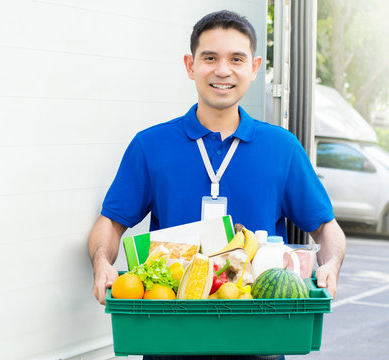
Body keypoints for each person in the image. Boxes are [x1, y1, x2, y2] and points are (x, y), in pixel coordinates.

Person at [88, 10, 346, 360]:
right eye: (210, 58)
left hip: (260, 337)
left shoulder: (282, 148)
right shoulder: (151, 145)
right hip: (169, 337)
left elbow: (325, 228)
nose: (223, 70)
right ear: (190, 65)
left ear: (254, 68)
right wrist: (102, 261)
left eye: (236, 59)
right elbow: (111, 221)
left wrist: (331, 265)